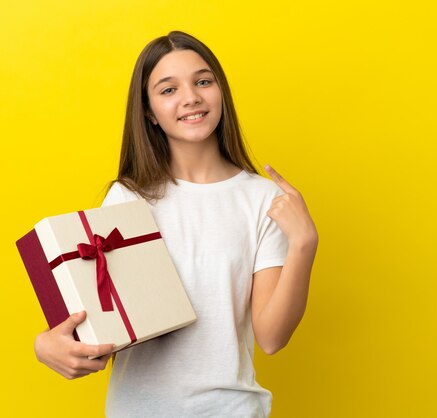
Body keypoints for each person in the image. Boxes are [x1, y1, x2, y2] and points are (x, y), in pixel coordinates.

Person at [34, 31, 318, 417]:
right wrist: (47, 345)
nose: (191, 98)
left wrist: (304, 243)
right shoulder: (127, 198)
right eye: (168, 90)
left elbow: (271, 337)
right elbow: (94, 321)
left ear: (221, 92)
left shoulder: (261, 199)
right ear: (149, 111)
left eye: (203, 81)